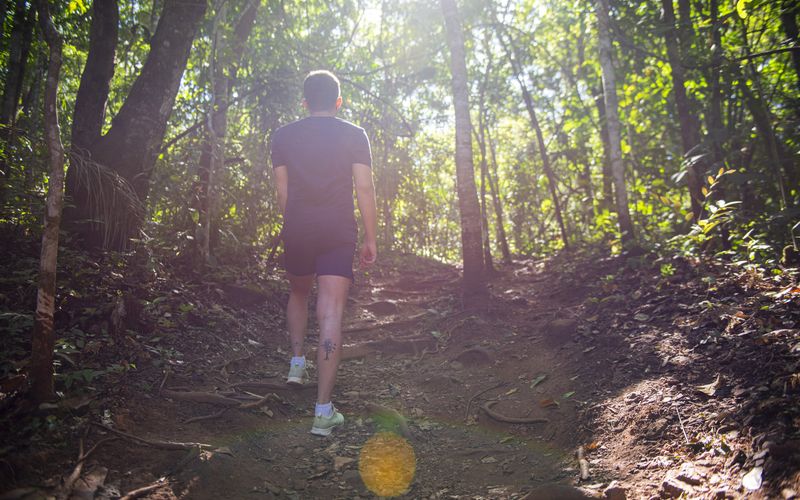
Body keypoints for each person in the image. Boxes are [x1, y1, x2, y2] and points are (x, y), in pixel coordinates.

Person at [270, 70, 377, 436]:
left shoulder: (282, 136)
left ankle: (297, 363)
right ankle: (322, 413)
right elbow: (364, 188)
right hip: (337, 231)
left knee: (298, 291)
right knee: (330, 312)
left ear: (304, 102)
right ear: (338, 101)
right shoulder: (354, 135)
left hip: (297, 227)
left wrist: (294, 226)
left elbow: (282, 193)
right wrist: (371, 237)